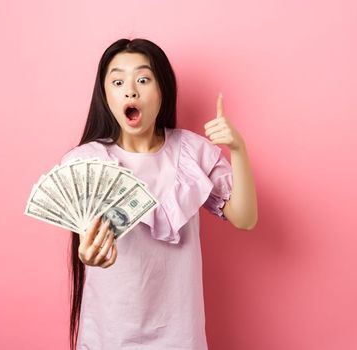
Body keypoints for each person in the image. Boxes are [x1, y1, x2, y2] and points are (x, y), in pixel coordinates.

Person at [60, 38, 258, 349]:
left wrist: (238, 150)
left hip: (180, 335)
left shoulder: (192, 152)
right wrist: (87, 255)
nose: (130, 90)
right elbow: (86, 238)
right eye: (117, 81)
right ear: (105, 94)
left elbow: (245, 219)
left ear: (161, 89)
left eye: (143, 79)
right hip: (109, 335)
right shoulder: (86, 162)